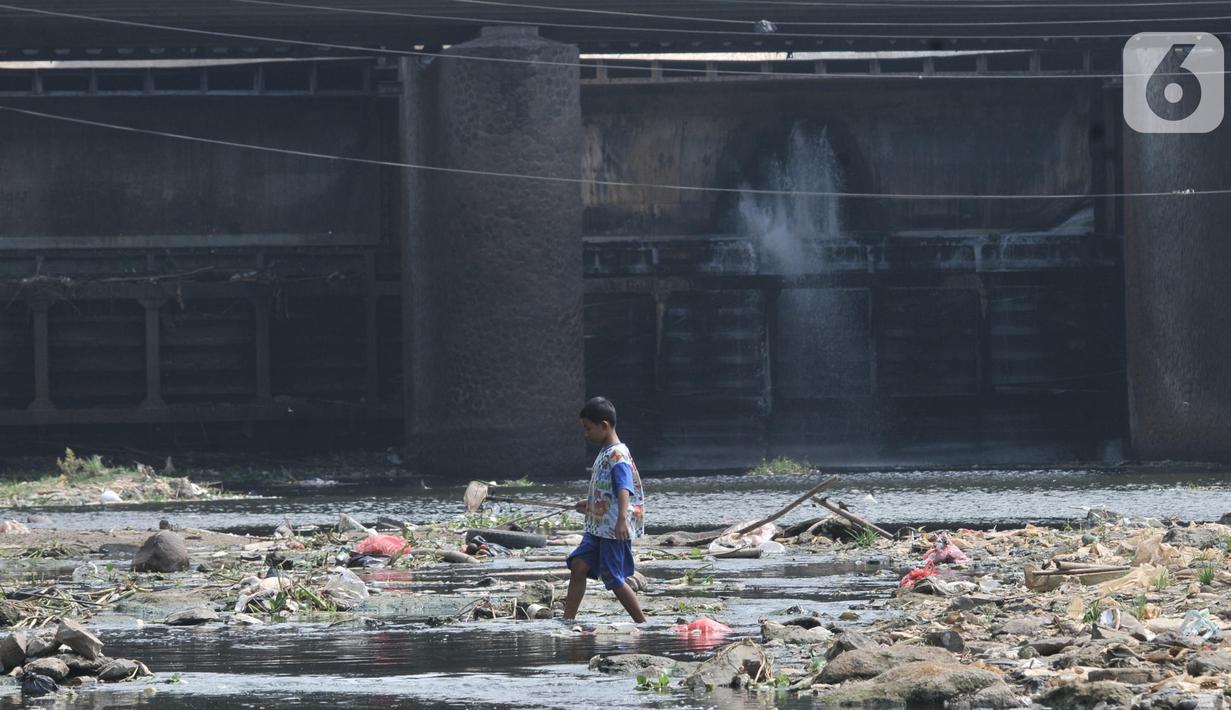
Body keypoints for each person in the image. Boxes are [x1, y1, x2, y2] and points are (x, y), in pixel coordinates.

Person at [562, 396, 647, 623]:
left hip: (612, 529)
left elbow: (624, 488)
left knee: (613, 577)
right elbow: (606, 489)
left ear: (604, 425)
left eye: (588, 428)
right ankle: (567, 620)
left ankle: (642, 623)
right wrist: (590, 504)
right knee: (578, 565)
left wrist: (621, 519)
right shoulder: (605, 451)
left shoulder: (618, 455)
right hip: (598, 527)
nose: (585, 434)